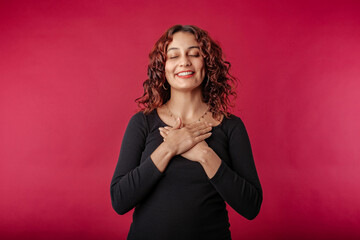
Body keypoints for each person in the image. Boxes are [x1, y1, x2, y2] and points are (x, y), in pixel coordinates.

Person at [110, 24, 262, 240]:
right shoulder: (142, 123)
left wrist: (204, 155)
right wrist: (170, 147)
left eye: (194, 54)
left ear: (207, 64)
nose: (184, 62)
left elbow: (251, 206)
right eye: (174, 56)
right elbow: (120, 199)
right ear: (162, 67)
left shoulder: (231, 126)